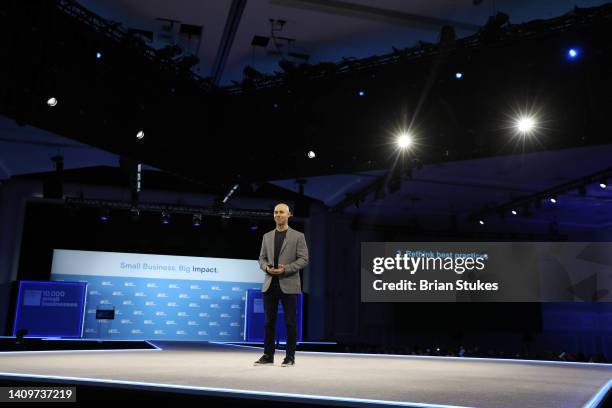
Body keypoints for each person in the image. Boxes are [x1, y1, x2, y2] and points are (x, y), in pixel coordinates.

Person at [253, 203, 308, 367]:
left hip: (289, 284)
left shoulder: (298, 236)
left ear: (289, 214)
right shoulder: (267, 236)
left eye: (281, 212)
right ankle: (268, 356)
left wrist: (286, 269)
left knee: (290, 322)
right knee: (269, 322)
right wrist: (266, 268)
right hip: (270, 284)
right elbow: (261, 259)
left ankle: (289, 357)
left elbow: (304, 259)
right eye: (276, 212)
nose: (278, 215)